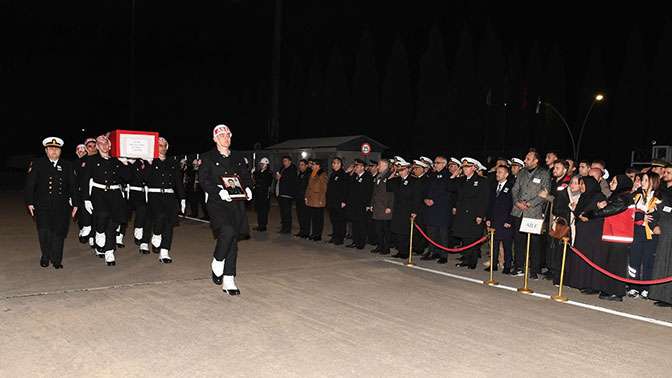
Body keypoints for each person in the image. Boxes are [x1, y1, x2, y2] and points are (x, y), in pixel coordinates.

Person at [199, 124, 253, 295]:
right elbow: (203, 179)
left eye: (228, 135)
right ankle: (217, 260)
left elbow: (245, 176)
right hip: (217, 202)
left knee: (233, 241)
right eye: (221, 135)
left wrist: (248, 188)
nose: (226, 138)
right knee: (227, 231)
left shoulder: (237, 157)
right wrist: (218, 191)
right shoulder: (207, 157)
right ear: (215, 139)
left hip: (236, 202)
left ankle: (229, 279)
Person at [24, 137, 78, 269]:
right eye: (51, 149)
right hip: (42, 205)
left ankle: (57, 259)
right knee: (44, 232)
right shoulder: (38, 164)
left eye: (57, 149)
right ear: (46, 150)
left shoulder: (67, 165)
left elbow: (73, 186)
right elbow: (30, 185)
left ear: (60, 151)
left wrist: (76, 203)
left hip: (62, 206)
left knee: (59, 232)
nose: (54, 151)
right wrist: (30, 202)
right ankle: (45, 255)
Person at [80, 135, 132, 266]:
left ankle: (109, 252)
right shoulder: (91, 160)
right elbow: (85, 180)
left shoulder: (116, 161)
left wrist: (125, 163)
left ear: (110, 146)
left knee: (113, 224)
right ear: (97, 147)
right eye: (100, 143)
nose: (103, 145)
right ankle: (99, 232)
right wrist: (86, 199)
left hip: (115, 194)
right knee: (102, 217)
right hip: (99, 194)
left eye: (105, 143)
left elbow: (127, 177)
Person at [585, 175, 635, 301]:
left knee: (616, 266)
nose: (611, 183)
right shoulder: (618, 197)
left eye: (614, 181)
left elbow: (612, 210)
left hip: (620, 236)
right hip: (613, 235)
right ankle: (609, 289)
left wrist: (592, 214)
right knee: (610, 264)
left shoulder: (624, 197)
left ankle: (617, 293)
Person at [144, 137, 186, 263]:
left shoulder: (172, 162)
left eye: (163, 145)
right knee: (160, 217)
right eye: (159, 145)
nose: (161, 148)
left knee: (169, 224)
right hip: (154, 196)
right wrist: (149, 164)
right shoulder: (149, 162)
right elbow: (144, 179)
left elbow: (178, 181)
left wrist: (182, 198)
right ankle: (156, 234)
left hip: (169, 196)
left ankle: (164, 252)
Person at [510, 150, 550, 279]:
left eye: (528, 158)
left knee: (534, 243)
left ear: (535, 161)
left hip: (533, 212)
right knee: (519, 241)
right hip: (519, 211)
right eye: (526, 158)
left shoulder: (543, 173)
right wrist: (517, 202)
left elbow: (544, 193)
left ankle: (534, 270)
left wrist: (529, 204)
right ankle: (519, 267)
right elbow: (515, 189)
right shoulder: (521, 173)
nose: (525, 160)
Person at [566, 176, 606, 294]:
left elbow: (599, 212)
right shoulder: (584, 196)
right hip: (582, 230)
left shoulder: (599, 196)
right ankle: (579, 281)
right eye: (581, 184)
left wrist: (587, 216)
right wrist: (577, 212)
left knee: (590, 257)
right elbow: (579, 212)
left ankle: (591, 285)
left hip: (593, 232)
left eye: (583, 184)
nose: (581, 186)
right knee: (581, 255)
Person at [628, 172, 664, 299]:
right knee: (634, 260)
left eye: (645, 180)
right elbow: (630, 212)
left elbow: (660, 216)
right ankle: (633, 287)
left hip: (651, 235)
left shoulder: (659, 198)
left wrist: (654, 224)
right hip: (637, 232)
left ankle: (646, 288)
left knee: (649, 261)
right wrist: (641, 216)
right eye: (642, 180)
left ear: (652, 182)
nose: (641, 182)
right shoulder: (636, 196)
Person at [452, 157, 490, 269]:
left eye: (467, 167)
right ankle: (465, 259)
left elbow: (484, 200)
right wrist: (455, 174)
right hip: (462, 214)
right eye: (463, 167)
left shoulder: (482, 181)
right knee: (464, 238)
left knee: (472, 238)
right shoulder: (461, 180)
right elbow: (450, 187)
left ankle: (472, 262)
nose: (464, 169)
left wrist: (480, 215)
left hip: (473, 214)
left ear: (474, 167)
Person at [387, 158, 422, 259]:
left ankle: (405, 252)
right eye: (399, 170)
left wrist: (414, 211)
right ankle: (400, 250)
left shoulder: (414, 181)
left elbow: (417, 197)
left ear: (408, 169)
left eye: (402, 170)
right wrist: (394, 172)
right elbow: (388, 184)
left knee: (405, 232)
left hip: (408, 210)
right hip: (398, 209)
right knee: (397, 231)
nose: (400, 172)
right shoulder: (396, 180)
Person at [420, 156, 452, 261]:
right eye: (435, 162)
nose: (435, 164)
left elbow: (447, 193)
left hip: (441, 209)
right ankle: (433, 251)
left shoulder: (448, 176)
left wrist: (434, 200)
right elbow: (425, 189)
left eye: (437, 163)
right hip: (430, 208)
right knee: (431, 232)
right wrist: (425, 199)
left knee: (442, 233)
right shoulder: (432, 175)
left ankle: (443, 255)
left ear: (444, 164)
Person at [485, 165, 515, 273]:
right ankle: (493, 264)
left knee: (507, 244)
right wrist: (488, 218)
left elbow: (513, 205)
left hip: (505, 221)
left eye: (500, 172)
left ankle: (507, 265)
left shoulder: (511, 187)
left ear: (506, 174)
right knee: (494, 244)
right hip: (494, 220)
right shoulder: (494, 186)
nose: (497, 174)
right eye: (497, 172)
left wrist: (509, 220)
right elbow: (489, 204)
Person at [344, 159, 374, 249]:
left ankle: (361, 243)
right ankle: (355, 241)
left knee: (361, 225)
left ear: (362, 167)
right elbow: (346, 183)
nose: (355, 168)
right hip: (354, 205)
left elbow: (369, 192)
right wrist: (347, 172)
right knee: (355, 224)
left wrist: (368, 205)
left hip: (362, 206)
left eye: (357, 166)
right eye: (355, 166)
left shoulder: (368, 176)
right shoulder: (355, 176)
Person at [370, 159, 394, 255]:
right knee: (378, 229)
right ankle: (380, 246)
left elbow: (392, 194)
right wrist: (371, 204)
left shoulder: (390, 176)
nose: (378, 167)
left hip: (385, 207)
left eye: (379, 165)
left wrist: (389, 206)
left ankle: (386, 248)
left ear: (385, 166)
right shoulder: (378, 176)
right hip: (377, 207)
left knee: (385, 230)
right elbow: (374, 192)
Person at [305, 159, 329, 241]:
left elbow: (324, 188)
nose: (312, 166)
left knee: (319, 218)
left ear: (318, 166)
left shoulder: (322, 174)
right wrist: (306, 197)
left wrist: (322, 199)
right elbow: (308, 186)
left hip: (318, 199)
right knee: (314, 218)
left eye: (314, 164)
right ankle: (314, 233)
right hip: (312, 199)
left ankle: (318, 235)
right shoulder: (312, 173)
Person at [327, 157, 348, 245]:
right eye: (333, 163)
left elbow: (345, 189)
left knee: (340, 221)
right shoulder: (333, 174)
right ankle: (335, 236)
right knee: (334, 220)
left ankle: (340, 238)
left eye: (336, 163)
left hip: (339, 202)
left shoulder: (343, 174)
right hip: (332, 201)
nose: (334, 165)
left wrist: (343, 201)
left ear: (340, 164)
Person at [275, 156, 297, 234]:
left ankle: (287, 229)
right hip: (281, 193)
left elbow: (291, 180)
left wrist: (281, 177)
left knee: (287, 212)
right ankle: (284, 227)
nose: (284, 162)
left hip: (287, 194)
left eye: (286, 161)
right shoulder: (282, 168)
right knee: (283, 212)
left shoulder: (292, 169)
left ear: (290, 161)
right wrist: (278, 177)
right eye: (283, 161)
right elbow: (280, 179)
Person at [252, 157, 273, 232]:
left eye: (262, 164)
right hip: (258, 194)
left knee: (263, 210)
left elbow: (261, 180)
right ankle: (260, 224)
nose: (261, 165)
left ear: (266, 164)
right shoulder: (260, 171)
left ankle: (263, 226)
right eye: (260, 164)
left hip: (264, 194)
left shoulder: (268, 173)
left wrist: (254, 173)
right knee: (259, 210)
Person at [294, 159, 312, 238]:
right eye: (300, 165)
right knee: (300, 215)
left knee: (305, 216)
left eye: (302, 165)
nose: (300, 166)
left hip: (305, 198)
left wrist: (306, 197)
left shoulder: (309, 174)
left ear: (306, 165)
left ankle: (306, 232)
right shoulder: (300, 174)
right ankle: (301, 231)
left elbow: (308, 187)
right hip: (298, 197)